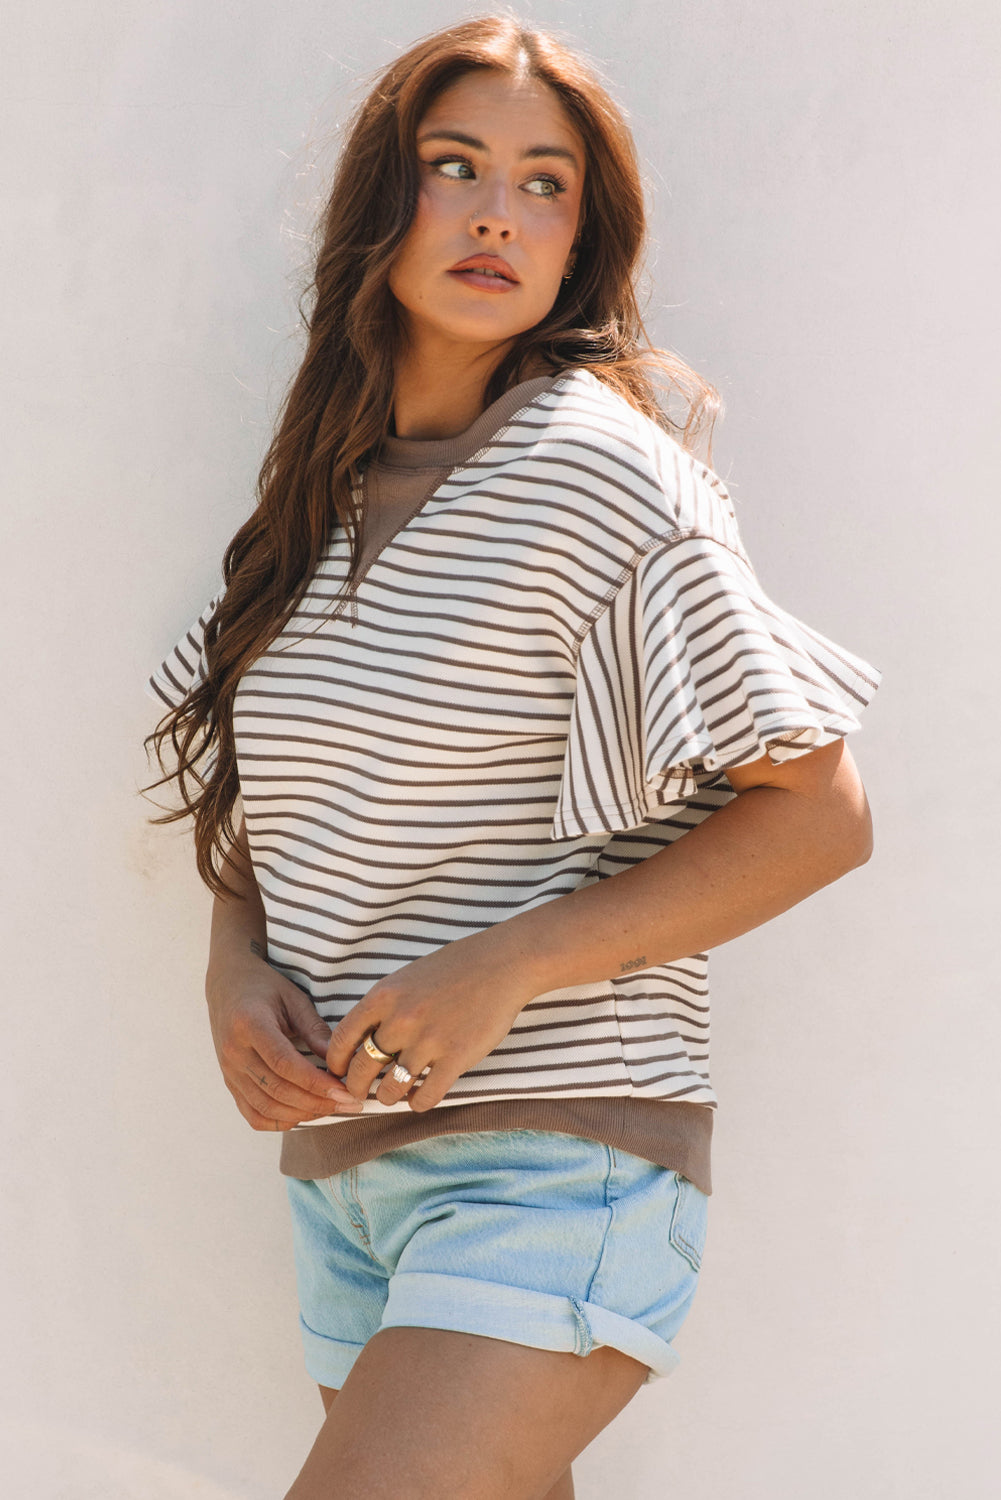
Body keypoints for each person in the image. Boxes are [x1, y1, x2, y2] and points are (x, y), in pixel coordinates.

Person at [146, 16, 880, 1500]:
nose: (498, 212)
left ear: (577, 243)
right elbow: (257, 809)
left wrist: (504, 966)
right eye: (455, 166)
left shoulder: (597, 472)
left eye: (545, 185)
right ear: (381, 202)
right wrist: (233, 972)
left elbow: (820, 814)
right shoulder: (309, 510)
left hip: (554, 1158)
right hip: (347, 1179)